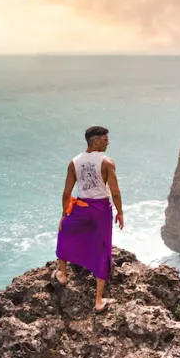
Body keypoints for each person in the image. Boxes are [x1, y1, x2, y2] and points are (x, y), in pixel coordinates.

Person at [54, 125, 124, 312]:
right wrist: (120, 212)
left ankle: (62, 272)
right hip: (100, 209)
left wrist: (64, 215)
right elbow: (115, 192)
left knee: (65, 231)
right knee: (103, 248)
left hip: (81, 207)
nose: (108, 142)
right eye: (104, 139)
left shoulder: (74, 162)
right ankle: (98, 300)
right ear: (94, 140)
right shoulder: (107, 162)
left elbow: (66, 193)